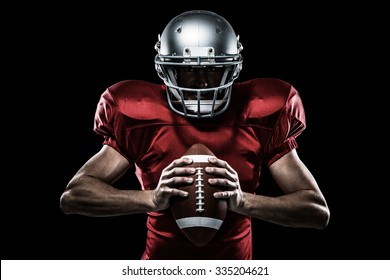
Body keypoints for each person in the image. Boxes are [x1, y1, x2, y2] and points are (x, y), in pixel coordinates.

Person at [59, 10, 330, 260]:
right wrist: (152, 198)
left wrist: (243, 201)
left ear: (233, 67)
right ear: (165, 69)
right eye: (188, 69)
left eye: (212, 69)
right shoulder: (138, 115)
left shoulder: (260, 113)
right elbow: (74, 196)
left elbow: (316, 211)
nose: (201, 81)